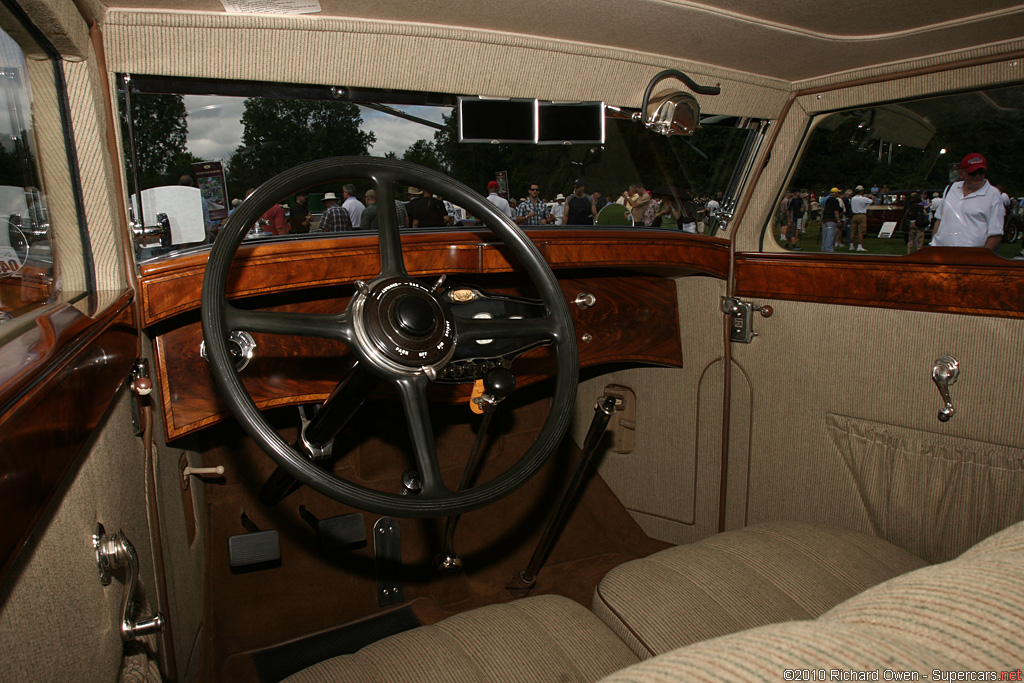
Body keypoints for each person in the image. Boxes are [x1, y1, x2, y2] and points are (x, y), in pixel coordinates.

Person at [931, 153, 1005, 250]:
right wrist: (933, 244)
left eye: (981, 172)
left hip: (971, 256)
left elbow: (996, 233)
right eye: (973, 173)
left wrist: (981, 258)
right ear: (961, 174)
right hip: (941, 252)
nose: (977, 176)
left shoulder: (993, 194)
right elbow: (939, 220)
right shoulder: (951, 188)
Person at [849, 186, 872, 251]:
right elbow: (871, 201)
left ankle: (851, 246)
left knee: (852, 232)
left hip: (854, 215)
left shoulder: (853, 198)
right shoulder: (863, 199)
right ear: (862, 191)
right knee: (861, 232)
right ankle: (859, 246)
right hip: (861, 215)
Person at [820, 187, 842, 252]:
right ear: (835, 193)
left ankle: (823, 247)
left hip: (825, 219)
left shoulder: (827, 200)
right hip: (831, 219)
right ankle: (828, 248)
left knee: (825, 234)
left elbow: (823, 209)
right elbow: (836, 211)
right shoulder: (835, 201)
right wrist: (838, 220)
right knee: (830, 234)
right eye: (838, 192)